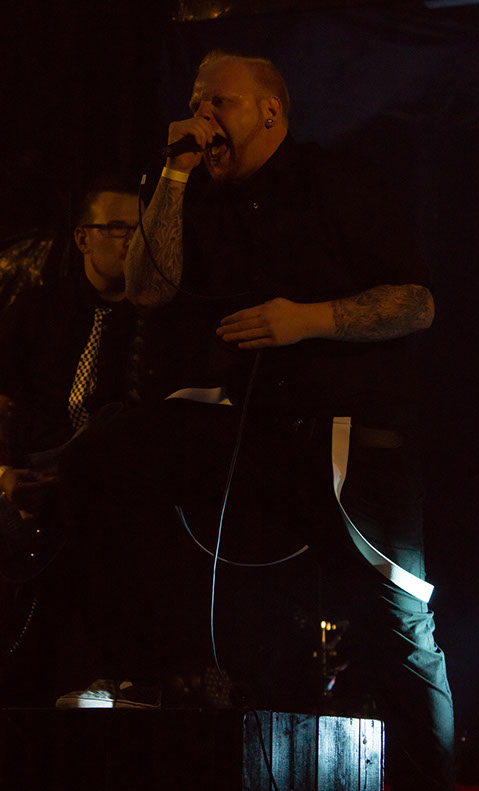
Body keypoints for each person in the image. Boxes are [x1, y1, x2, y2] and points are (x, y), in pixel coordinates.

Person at [57, 52, 455, 791]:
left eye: (221, 102)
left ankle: (430, 778)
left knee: (396, 625)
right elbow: (145, 289)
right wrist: (173, 173)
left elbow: (415, 303)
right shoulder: (194, 194)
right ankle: (143, 669)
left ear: (270, 112)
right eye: (195, 102)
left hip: (349, 429)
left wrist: (306, 319)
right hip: (248, 426)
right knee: (100, 459)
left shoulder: (336, 180)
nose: (203, 116)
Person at [0, 180, 139, 514]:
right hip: (37, 479)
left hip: (117, 490)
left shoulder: (156, 319)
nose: (133, 240)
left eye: (140, 229)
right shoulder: (37, 308)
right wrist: (4, 474)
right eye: (117, 228)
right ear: (82, 239)